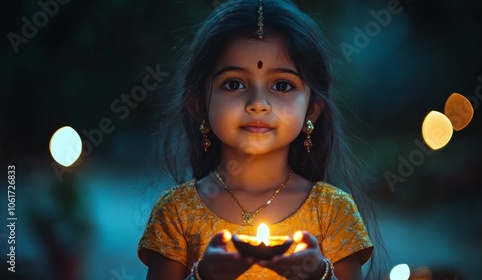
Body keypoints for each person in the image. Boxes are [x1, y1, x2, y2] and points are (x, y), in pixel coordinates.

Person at [138, 0, 385, 279]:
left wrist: (319, 274)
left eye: (282, 85)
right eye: (234, 84)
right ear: (199, 105)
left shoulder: (333, 212)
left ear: (312, 110)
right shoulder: (176, 212)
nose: (258, 103)